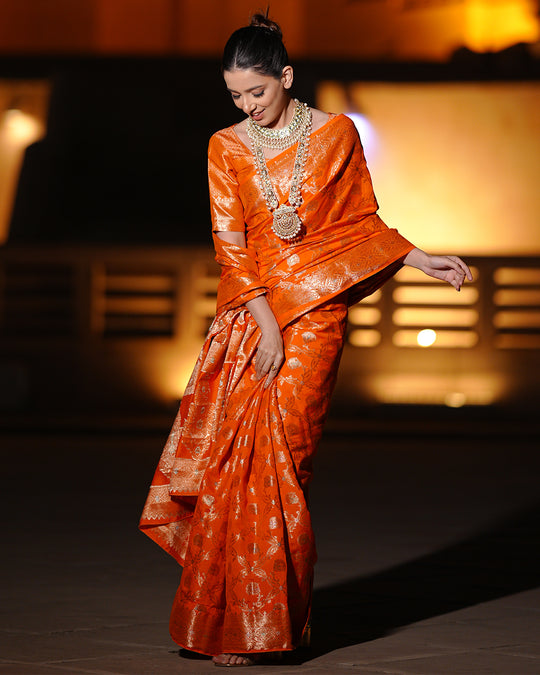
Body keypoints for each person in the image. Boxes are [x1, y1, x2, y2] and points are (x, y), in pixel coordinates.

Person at [139, 12, 472, 668]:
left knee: (283, 460)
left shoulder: (336, 135)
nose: (246, 106)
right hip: (251, 316)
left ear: (286, 77)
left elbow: (361, 224)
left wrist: (423, 259)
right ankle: (234, 621)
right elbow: (230, 246)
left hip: (317, 316)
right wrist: (264, 323)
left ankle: (273, 618)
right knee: (239, 465)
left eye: (257, 92)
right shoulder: (225, 146)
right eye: (235, 95)